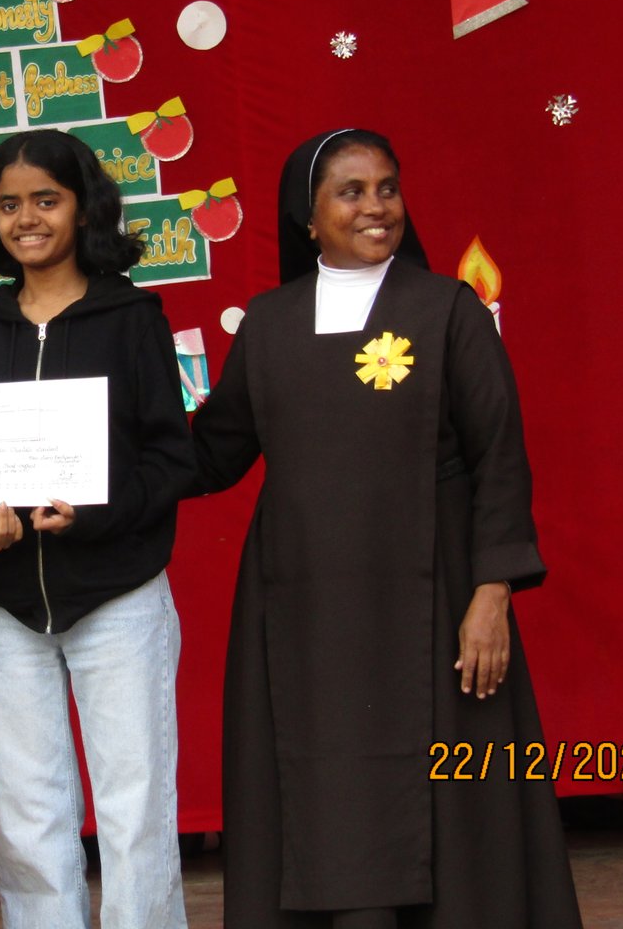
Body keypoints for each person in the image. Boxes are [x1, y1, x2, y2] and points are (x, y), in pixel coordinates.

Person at [190, 129, 583, 928]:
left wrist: (492, 592)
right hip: (304, 616)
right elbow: (209, 454)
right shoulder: (268, 324)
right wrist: (95, 453)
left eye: (387, 189)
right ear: (308, 217)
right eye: (351, 192)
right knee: (324, 791)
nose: (376, 207)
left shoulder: (446, 310)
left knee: (449, 799)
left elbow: (499, 457)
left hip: (435, 604)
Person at [0, 129, 195, 929]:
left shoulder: (133, 318)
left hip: (118, 597)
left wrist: (92, 514)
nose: (27, 219)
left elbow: (172, 459)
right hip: (7, 607)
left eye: (46, 200)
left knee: (134, 807)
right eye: (9, 205)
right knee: (27, 813)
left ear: (84, 208)